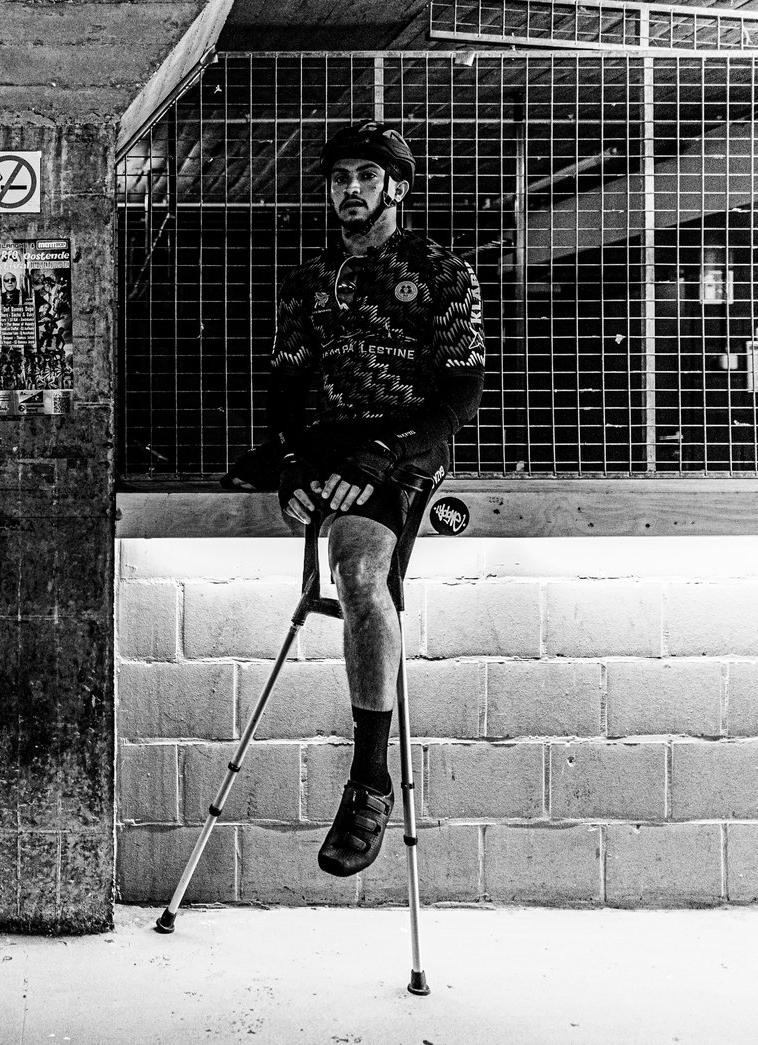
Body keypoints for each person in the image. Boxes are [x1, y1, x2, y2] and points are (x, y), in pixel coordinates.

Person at [268, 119, 485, 878]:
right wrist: (293, 465)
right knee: (293, 496)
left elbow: (460, 391)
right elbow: (287, 387)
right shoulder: (307, 282)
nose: (349, 190)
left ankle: (369, 779)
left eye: (365, 176)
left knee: (359, 574)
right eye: (338, 179)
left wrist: (388, 452)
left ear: (395, 185)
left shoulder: (441, 270)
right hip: (330, 444)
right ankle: (314, 488)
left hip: (402, 448)